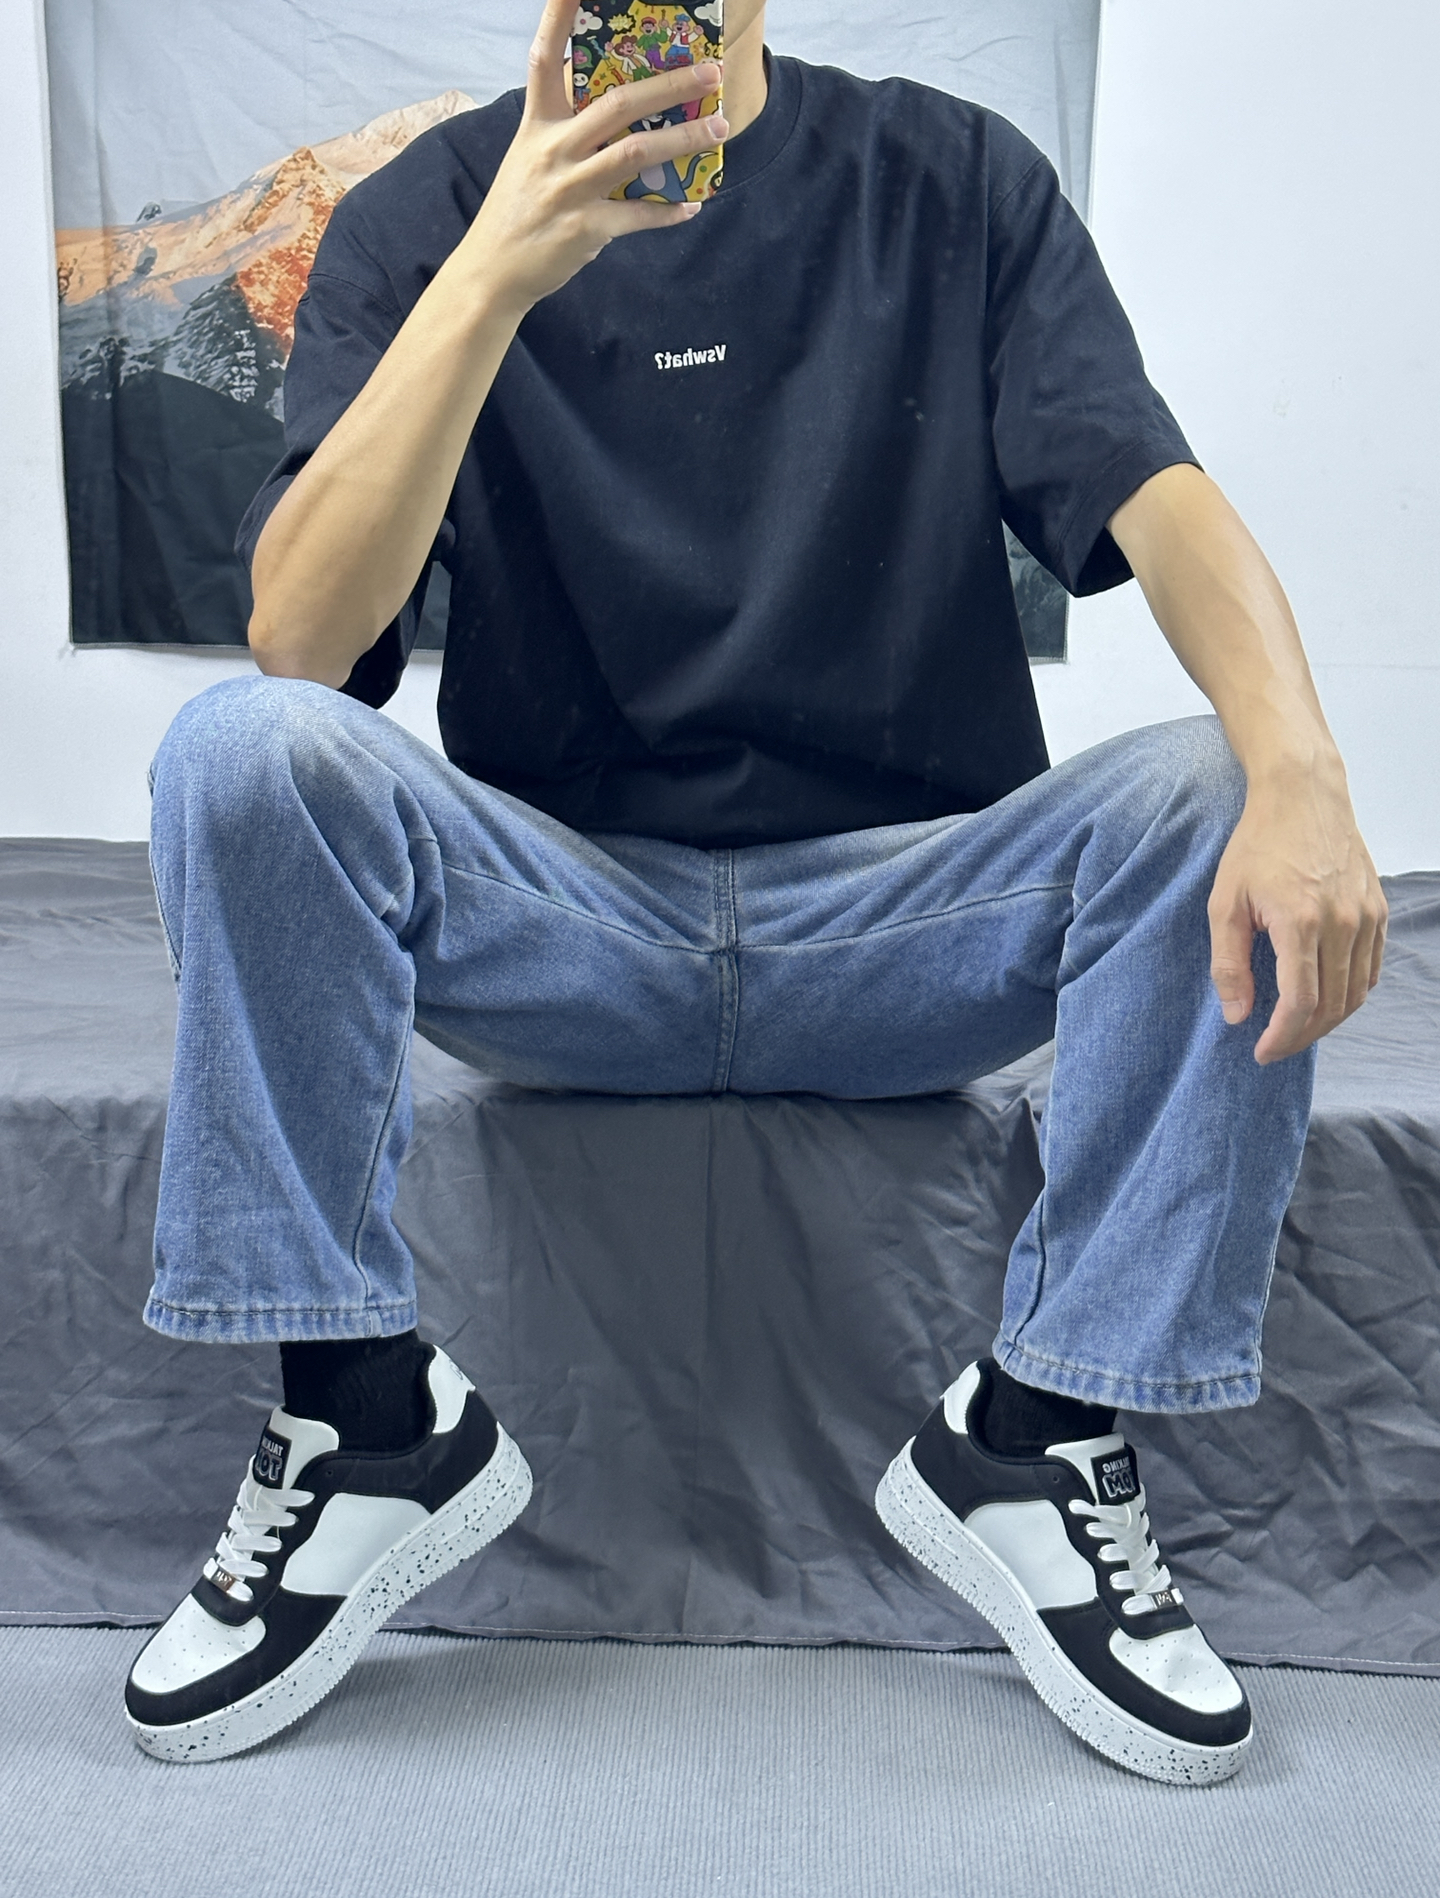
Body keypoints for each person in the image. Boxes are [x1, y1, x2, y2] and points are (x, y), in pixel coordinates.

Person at [124, 0, 1386, 1782]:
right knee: (241, 754)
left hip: (904, 931)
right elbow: (304, 643)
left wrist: (1307, 769)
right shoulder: (427, 217)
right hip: (567, 927)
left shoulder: (949, 181)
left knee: (1219, 782)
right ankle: (359, 1421)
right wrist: (497, 273)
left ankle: (1041, 1434)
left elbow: (1153, 491)